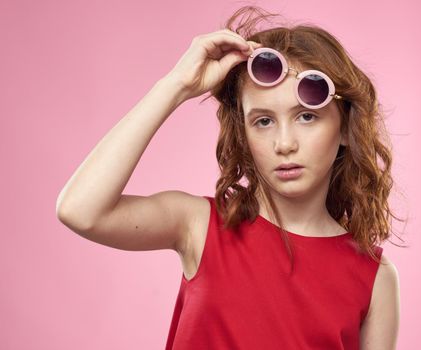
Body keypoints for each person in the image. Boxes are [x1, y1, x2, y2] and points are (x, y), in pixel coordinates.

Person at [56, 5, 401, 350]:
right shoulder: (199, 226)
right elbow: (80, 210)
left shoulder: (375, 278)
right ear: (243, 135)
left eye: (307, 117)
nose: (284, 144)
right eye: (263, 121)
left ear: (344, 128)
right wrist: (176, 85)